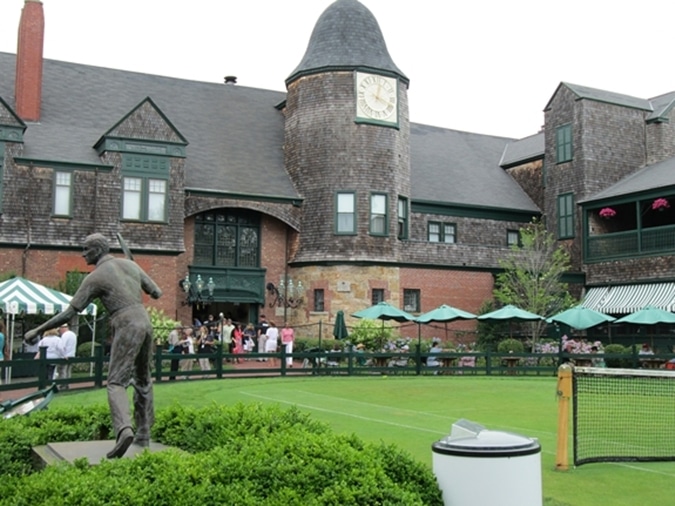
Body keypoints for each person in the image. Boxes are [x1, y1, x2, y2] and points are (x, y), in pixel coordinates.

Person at [24, 233, 162, 459]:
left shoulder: (95, 277)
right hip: (145, 322)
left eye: (86, 249)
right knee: (143, 379)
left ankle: (124, 430)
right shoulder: (130, 266)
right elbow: (157, 293)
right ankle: (144, 433)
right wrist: (135, 270)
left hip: (126, 323)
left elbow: (70, 313)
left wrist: (38, 330)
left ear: (98, 250)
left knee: (115, 382)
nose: (82, 254)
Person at [56, 323, 77, 389]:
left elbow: (62, 346)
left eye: (60, 330)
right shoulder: (73, 334)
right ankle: (67, 384)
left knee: (62, 370)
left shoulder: (65, 335)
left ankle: (63, 385)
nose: (60, 331)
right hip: (72, 354)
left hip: (65, 356)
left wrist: (62, 354)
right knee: (68, 370)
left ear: (63, 328)